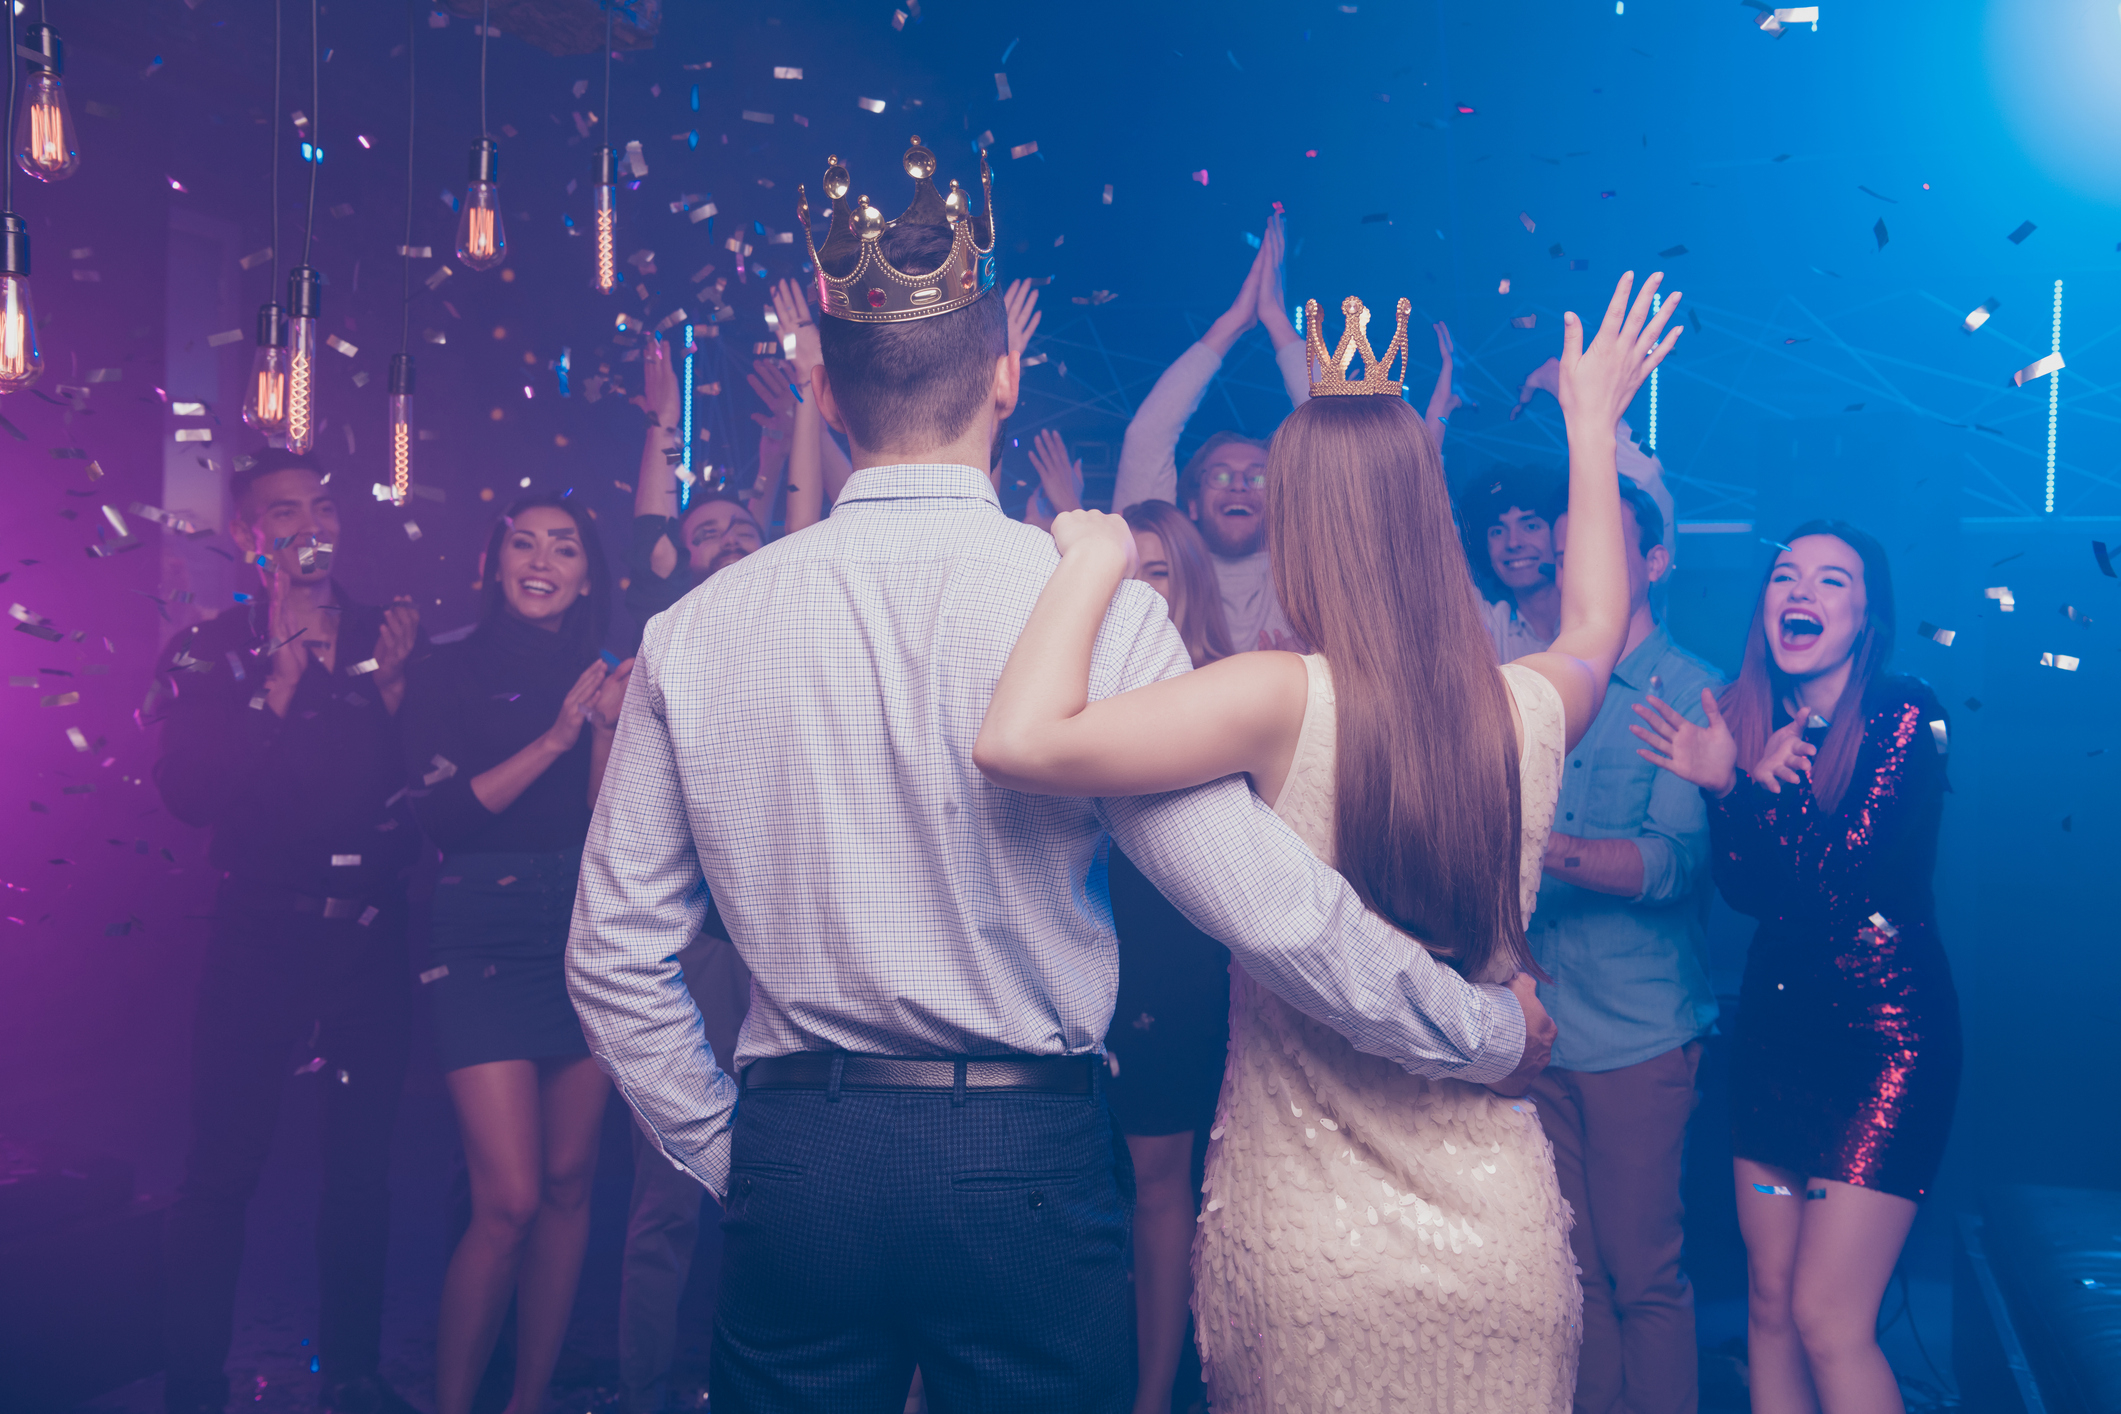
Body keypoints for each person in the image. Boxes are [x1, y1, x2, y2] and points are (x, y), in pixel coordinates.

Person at [567, 141, 1552, 1414]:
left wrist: (735, 1148)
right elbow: (1268, 904)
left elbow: (610, 954)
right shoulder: (1086, 605)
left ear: (824, 395)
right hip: (1020, 1157)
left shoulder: (695, 631)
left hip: (801, 1147)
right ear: (1007, 377)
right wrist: (1478, 1031)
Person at [977, 271, 1684, 1413]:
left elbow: (1016, 738)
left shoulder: (1273, 698)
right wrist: (1591, 429)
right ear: (1429, 519)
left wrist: (1093, 557)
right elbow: (1598, 619)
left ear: (1303, 523)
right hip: (1495, 1232)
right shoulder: (1527, 704)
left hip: (1308, 1238)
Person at [1630, 524, 1960, 1414]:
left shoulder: (1903, 712)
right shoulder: (1747, 719)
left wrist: (1736, 789)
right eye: (1783, 576)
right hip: (1777, 1049)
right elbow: (1747, 892)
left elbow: (1835, 880)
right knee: (1770, 1304)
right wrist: (1727, 787)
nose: (1799, 593)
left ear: (1866, 617)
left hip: (1882, 1048)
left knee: (1826, 1316)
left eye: (1829, 580)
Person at [151, 451, 424, 1414]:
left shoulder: (389, 633)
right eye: (284, 510)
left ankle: (352, 1375)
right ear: (247, 534)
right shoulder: (208, 649)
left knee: (361, 1172)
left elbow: (411, 798)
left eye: (322, 503)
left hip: (366, 944)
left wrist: (391, 703)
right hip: (259, 935)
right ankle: (193, 1384)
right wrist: (269, 698)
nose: (312, 521)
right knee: (222, 1168)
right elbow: (189, 799)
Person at [398, 494, 633, 1414]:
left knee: (573, 1183)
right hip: (481, 928)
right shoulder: (445, 668)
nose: (540, 560)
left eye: (563, 547)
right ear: (495, 562)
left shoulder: (611, 671)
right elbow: (444, 818)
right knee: (510, 1199)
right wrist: (559, 734)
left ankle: (525, 1403)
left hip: (582, 927)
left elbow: (610, 822)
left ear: (587, 572)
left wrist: (608, 725)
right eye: (523, 543)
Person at [1530, 475, 1723, 1414]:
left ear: (1650, 561)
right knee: (1568, 1283)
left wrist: (1534, 844)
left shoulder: (1691, 692)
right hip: (1541, 1026)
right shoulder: (1538, 680)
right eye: (1565, 552)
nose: (1572, 567)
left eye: (1595, 548)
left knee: (1641, 1277)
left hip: (1638, 1033)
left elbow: (1671, 867)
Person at [1112, 214, 1461, 653]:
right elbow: (1147, 437)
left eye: (1258, 477)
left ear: (1278, 501)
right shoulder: (1161, 566)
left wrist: (1277, 322)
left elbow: (1341, 447)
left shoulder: (1318, 571)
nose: (1239, 484)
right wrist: (1230, 326)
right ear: (1193, 503)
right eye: (1220, 475)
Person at [1103, 496, 1235, 1414]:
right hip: (1075, 961)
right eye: (1123, 573)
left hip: (1176, 969)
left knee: (1160, 1187)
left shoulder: (1230, 689)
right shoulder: (1067, 685)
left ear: (1187, 580)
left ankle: (1152, 1400)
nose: (1138, 590)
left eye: (1156, 570)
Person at [623, 333, 773, 631]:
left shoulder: (802, 605)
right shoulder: (671, 628)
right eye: (706, 535)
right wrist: (663, 427)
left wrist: (782, 448)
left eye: (744, 532)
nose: (730, 541)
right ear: (682, 560)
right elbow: (656, 545)